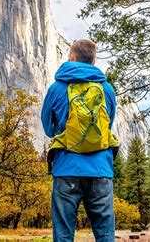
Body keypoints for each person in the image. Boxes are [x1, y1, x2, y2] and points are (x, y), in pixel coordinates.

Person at [41, 39, 119, 242]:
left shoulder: (57, 88)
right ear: (93, 61)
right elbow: (106, 129)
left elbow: (49, 129)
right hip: (101, 169)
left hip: (67, 169)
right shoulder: (107, 90)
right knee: (105, 235)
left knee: (64, 235)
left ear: (72, 58)